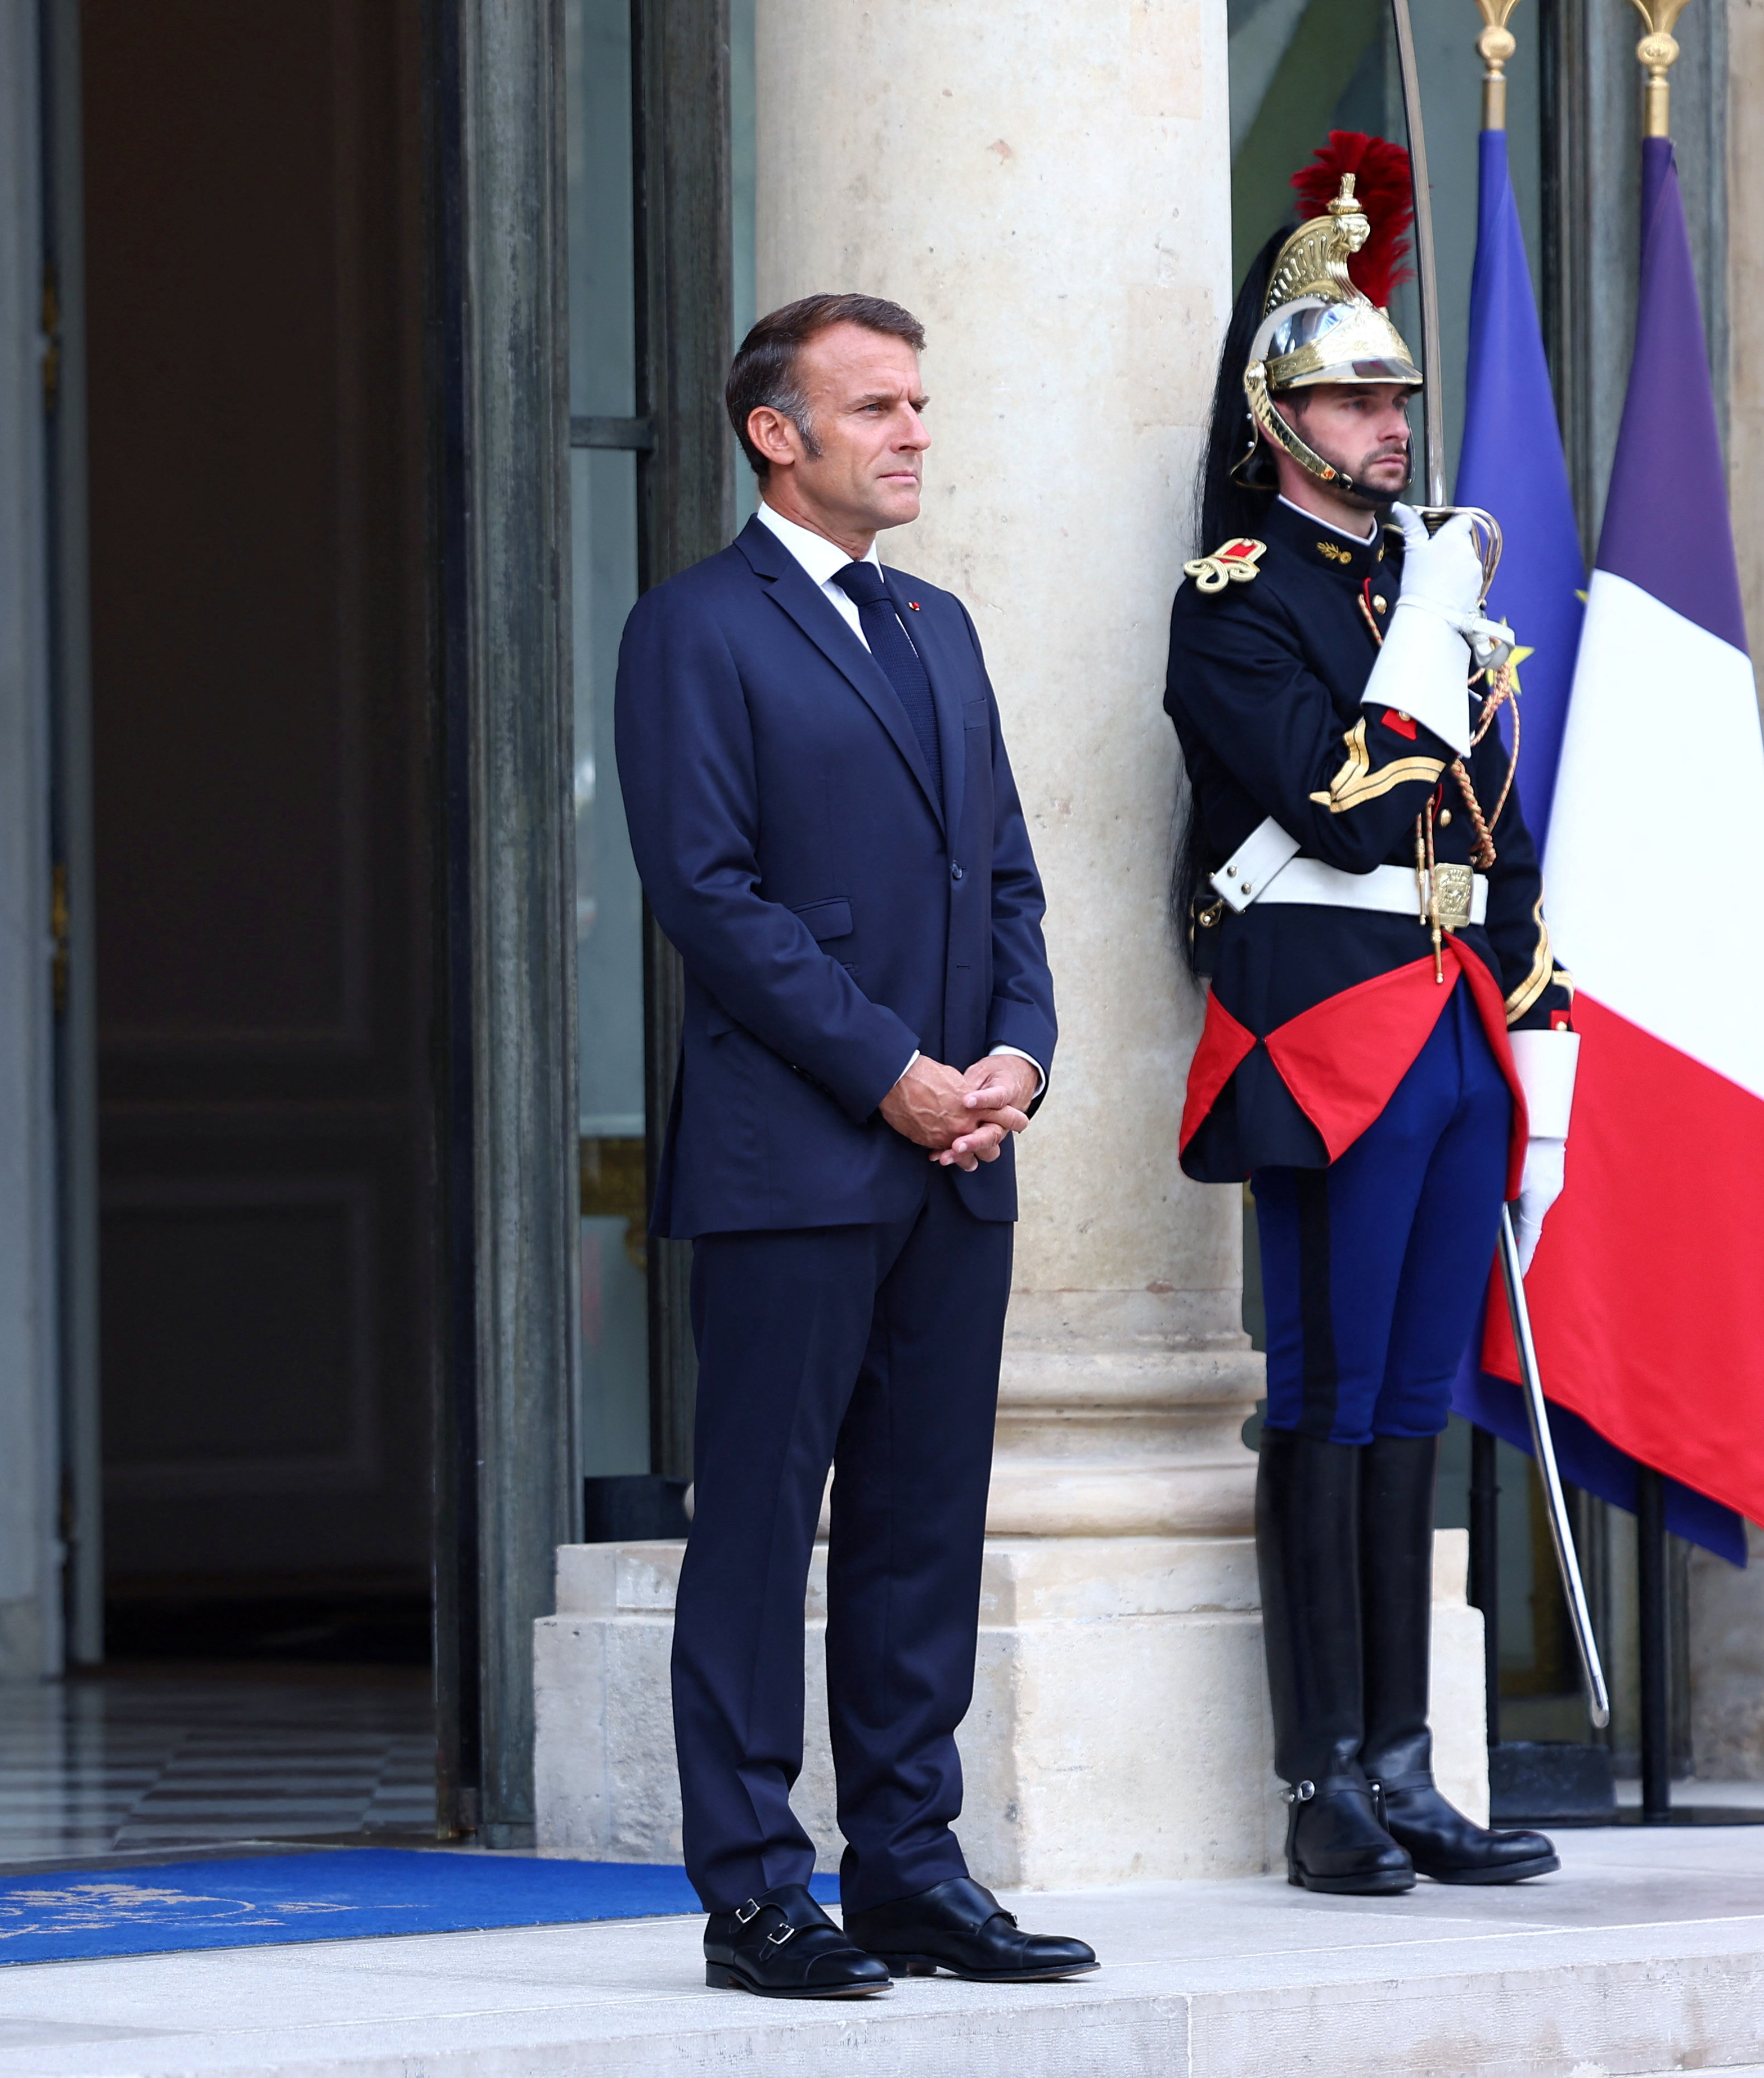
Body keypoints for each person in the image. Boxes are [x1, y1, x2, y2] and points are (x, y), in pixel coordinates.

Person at [614, 293, 1089, 1999]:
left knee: (920, 1527)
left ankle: (910, 1869)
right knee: (759, 1530)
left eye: (920, 402)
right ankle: (753, 1890)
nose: (914, 433)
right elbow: (712, 900)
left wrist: (1018, 1057)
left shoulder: (942, 627)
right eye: (877, 405)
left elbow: (1012, 880)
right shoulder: (696, 629)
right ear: (776, 433)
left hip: (961, 1159)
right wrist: (895, 1071)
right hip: (795, 1159)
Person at [1165, 135, 1577, 1896]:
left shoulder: (1425, 593)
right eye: (1351, 403)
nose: (1391, 426)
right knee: (1326, 1398)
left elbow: (1496, 834)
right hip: (1322, 1028)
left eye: (1398, 397)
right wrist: (1431, 620)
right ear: (1280, 423)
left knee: (1418, 1399)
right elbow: (1337, 803)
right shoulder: (1240, 604)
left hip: (1450, 1030)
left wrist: (1539, 1023)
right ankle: (1320, 1778)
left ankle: (1409, 1764)